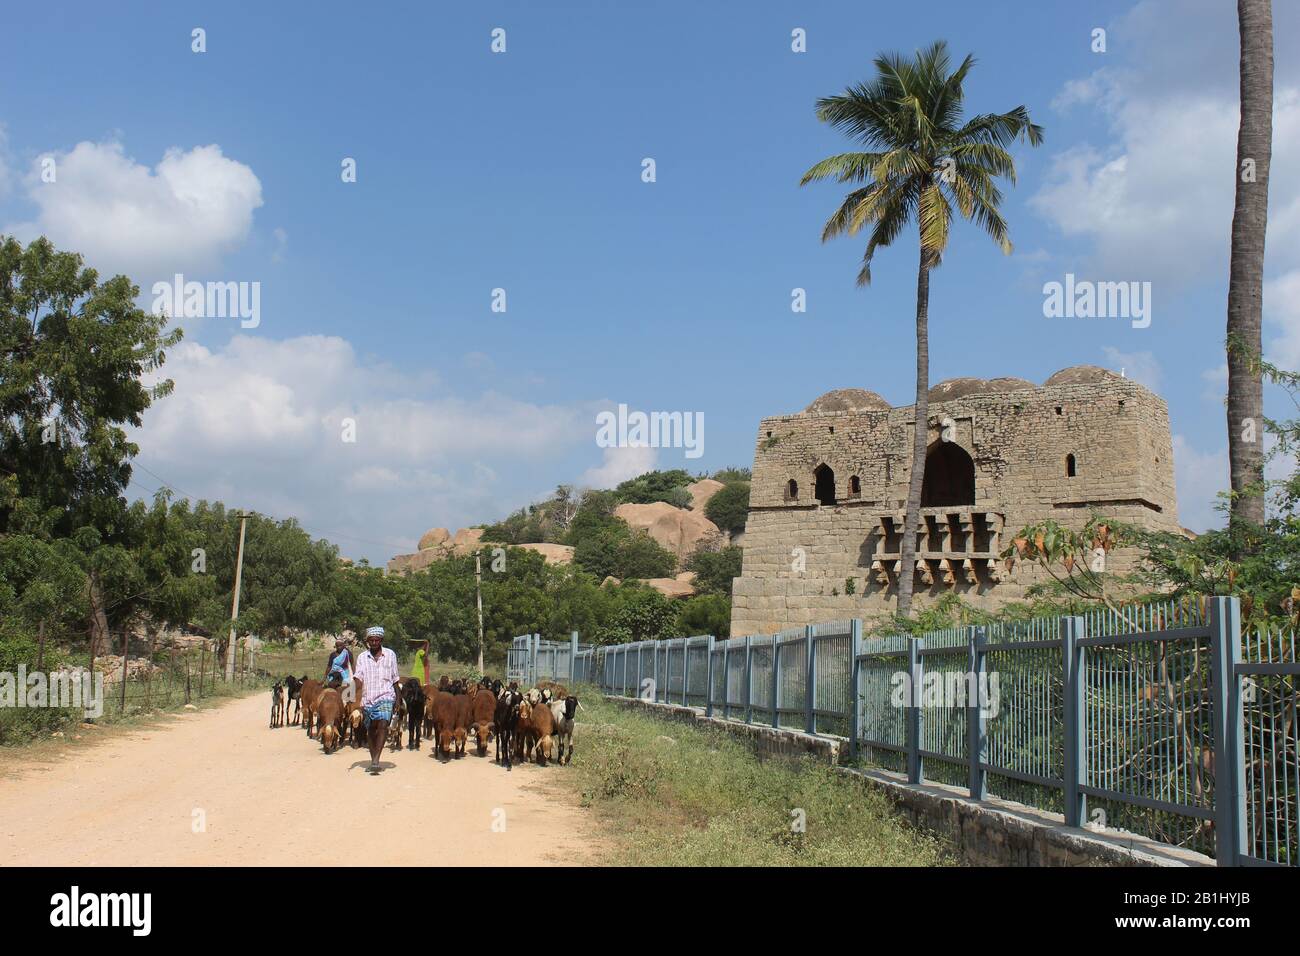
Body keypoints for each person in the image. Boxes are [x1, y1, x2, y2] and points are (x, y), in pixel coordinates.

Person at [353, 625, 402, 773]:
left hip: (386, 696)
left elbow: (394, 678)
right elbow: (358, 678)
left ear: (381, 640)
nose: (374, 643)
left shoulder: (390, 655)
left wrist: (398, 699)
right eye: (371, 640)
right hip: (368, 698)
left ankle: (375, 760)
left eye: (376, 640)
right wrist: (352, 694)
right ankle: (373, 755)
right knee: (371, 729)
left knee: (382, 724)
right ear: (367, 641)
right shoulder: (362, 657)